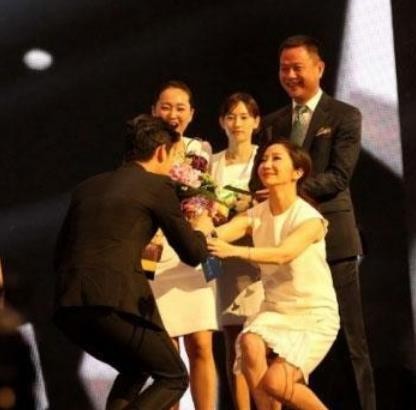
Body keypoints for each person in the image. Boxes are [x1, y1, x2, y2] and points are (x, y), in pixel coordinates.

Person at [53, 115, 213, 410]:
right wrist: (202, 229)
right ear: (161, 151)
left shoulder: (86, 187)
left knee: (134, 368)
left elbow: (61, 250)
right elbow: (193, 254)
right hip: (113, 300)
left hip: (69, 304)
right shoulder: (157, 186)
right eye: (173, 156)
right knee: (174, 376)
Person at [253, 34, 376, 409]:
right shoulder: (273, 123)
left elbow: (339, 176)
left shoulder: (344, 115)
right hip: (283, 251)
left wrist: (288, 190)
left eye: (297, 68)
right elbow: (257, 181)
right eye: (283, 69)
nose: (290, 75)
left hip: (333, 242)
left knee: (351, 342)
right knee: (292, 351)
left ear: (319, 68)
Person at [208, 141, 339, 410]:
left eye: (276, 159)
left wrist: (233, 251)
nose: (267, 164)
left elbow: (283, 254)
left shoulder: (309, 219)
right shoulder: (257, 213)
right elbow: (222, 233)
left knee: (276, 383)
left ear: (297, 172)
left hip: (313, 315)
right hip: (275, 310)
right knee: (249, 342)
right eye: (264, 159)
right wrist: (198, 231)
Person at [147, 80, 219, 410]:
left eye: (180, 108)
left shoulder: (199, 149)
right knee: (167, 352)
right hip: (156, 253)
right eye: (166, 107)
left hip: (192, 251)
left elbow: (207, 194)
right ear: (153, 111)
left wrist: (209, 207)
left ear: (191, 114)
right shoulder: (143, 151)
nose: (172, 114)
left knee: (201, 344)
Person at [211, 92, 263, 410]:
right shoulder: (211, 163)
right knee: (233, 337)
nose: (237, 123)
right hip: (221, 257)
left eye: (244, 117)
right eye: (231, 117)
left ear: (256, 122)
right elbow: (201, 203)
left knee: (258, 338)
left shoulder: (264, 158)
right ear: (221, 122)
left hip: (257, 256)